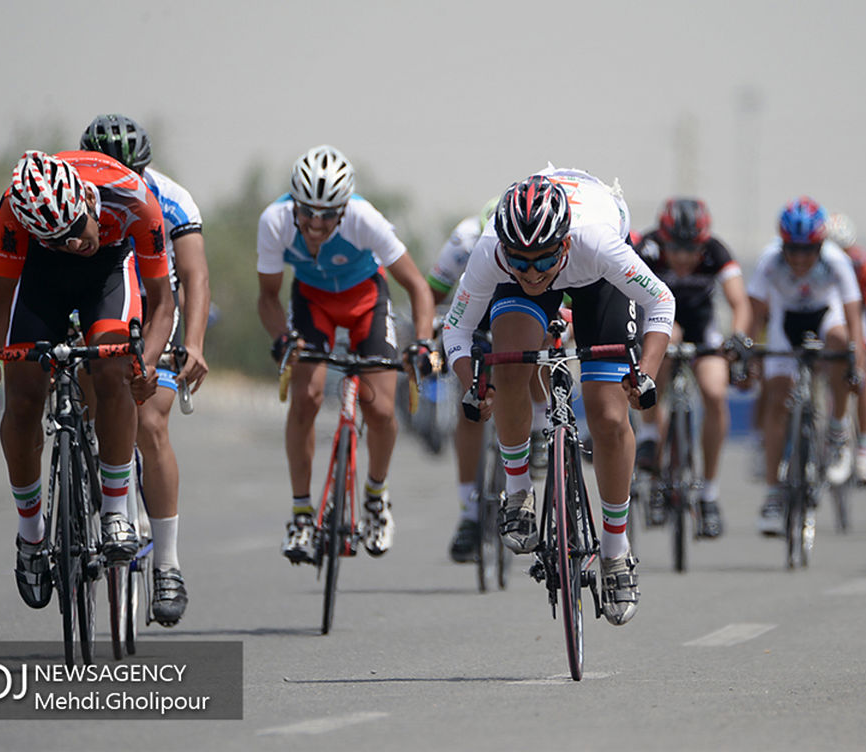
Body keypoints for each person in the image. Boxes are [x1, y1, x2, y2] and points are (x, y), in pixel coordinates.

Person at [443, 167, 672, 626]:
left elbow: (661, 302)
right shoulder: (493, 251)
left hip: (596, 283)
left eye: (542, 260)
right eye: (519, 260)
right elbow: (457, 329)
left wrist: (645, 373)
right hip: (540, 263)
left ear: (563, 245)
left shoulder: (597, 242)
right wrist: (472, 385)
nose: (530, 271)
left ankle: (615, 551)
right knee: (508, 362)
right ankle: (518, 490)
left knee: (608, 416)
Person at [0, 150, 173, 610]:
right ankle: (31, 536)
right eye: (57, 239)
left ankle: (117, 510)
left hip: (109, 274)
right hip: (42, 280)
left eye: (76, 230)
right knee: (22, 397)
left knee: (113, 368)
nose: (74, 244)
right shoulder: (14, 210)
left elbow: (162, 301)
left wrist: (148, 362)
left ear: (86, 201)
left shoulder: (133, 199)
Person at [257, 145, 435, 563]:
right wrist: (282, 337)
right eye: (308, 212)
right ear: (294, 205)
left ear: (343, 209)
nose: (316, 224)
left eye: (327, 213)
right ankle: (302, 515)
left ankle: (375, 496)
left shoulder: (364, 219)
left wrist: (423, 342)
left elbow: (418, 287)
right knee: (307, 398)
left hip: (365, 303)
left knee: (380, 409)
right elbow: (267, 298)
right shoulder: (275, 221)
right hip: (311, 303)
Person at [79, 114, 210, 626]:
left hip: (157, 306)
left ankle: (168, 565)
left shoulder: (173, 198)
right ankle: (102, 494)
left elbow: (194, 278)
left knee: (151, 419)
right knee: (93, 403)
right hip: (97, 301)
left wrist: (194, 343)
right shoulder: (74, 191)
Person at [427, 198, 551, 563]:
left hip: (521, 307)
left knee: (536, 349)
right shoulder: (464, 240)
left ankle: (540, 426)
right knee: (470, 410)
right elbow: (430, 294)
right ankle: (468, 515)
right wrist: (427, 332)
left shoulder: (529, 250)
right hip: (474, 316)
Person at [746, 197, 866, 535]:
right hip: (786, 323)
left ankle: (839, 429)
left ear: (820, 246)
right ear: (782, 244)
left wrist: (858, 359)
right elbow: (755, 312)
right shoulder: (769, 261)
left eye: (807, 251)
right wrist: (751, 353)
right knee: (777, 400)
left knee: (842, 345)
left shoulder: (836, 261)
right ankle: (772, 494)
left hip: (826, 317)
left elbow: (853, 312)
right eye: (792, 250)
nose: (799, 259)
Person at [633, 197, 751, 538]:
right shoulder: (648, 248)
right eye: (676, 249)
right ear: (663, 239)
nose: (683, 258)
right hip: (658, 324)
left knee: (715, 393)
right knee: (667, 342)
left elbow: (739, 301)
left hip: (702, 327)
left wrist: (739, 337)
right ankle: (653, 434)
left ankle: (709, 493)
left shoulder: (716, 251)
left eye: (692, 250)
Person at [825, 212, 866, 486]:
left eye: (846, 251)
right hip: (826, 310)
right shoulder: (816, 260)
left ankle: (864, 451)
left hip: (855, 313)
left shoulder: (864, 264)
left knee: (862, 378)